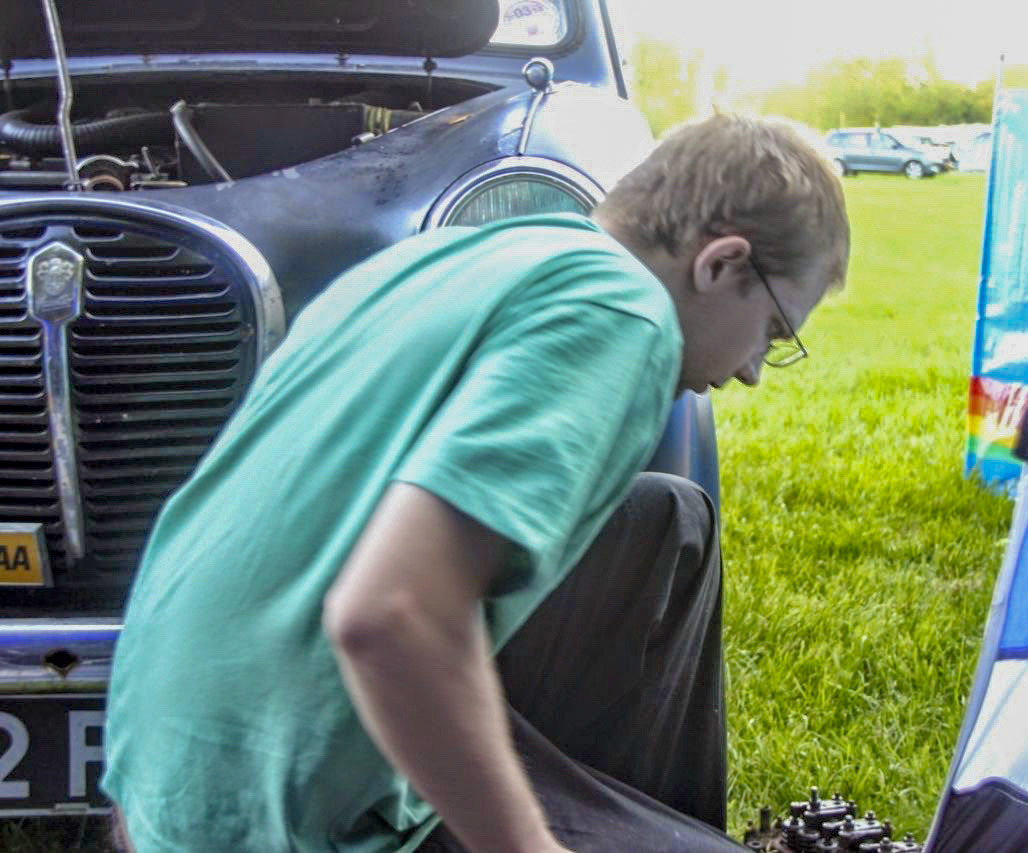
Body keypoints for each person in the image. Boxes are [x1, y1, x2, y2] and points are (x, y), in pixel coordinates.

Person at [102, 113, 850, 852]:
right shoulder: (621, 309)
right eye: (776, 332)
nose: (753, 370)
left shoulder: (459, 258)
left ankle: (638, 820)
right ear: (719, 263)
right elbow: (388, 615)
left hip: (169, 770)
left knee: (665, 514)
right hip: (283, 820)